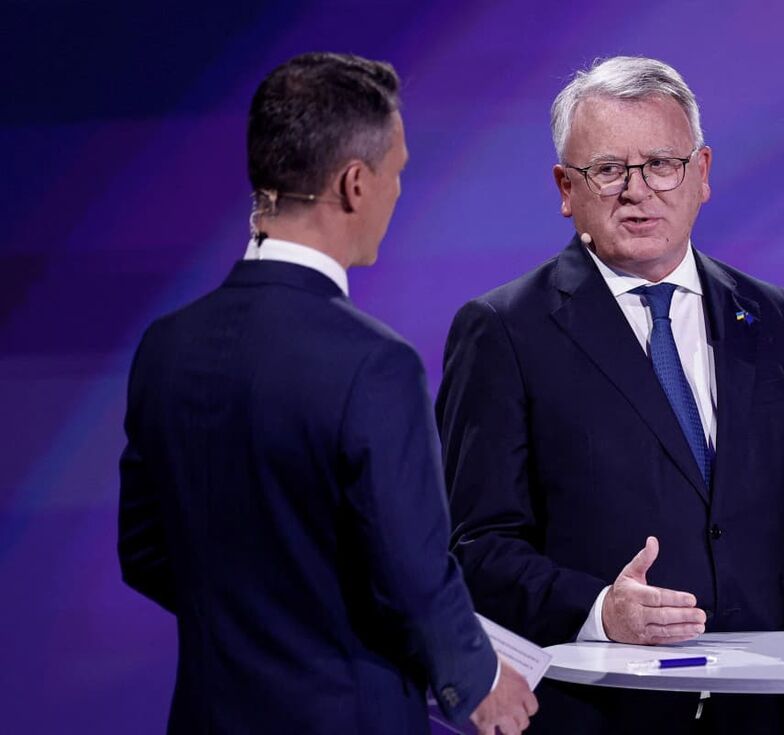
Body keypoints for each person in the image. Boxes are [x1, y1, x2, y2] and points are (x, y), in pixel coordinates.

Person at [436, 56, 784, 734]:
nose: (636, 191)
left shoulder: (775, 319)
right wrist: (598, 610)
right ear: (565, 187)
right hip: (599, 717)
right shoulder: (504, 330)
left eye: (661, 164)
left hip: (763, 717)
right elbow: (476, 548)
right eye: (608, 169)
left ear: (702, 172)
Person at [118, 52, 537, 735]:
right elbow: (413, 574)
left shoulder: (165, 346)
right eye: (396, 173)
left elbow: (145, 551)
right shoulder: (376, 365)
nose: (399, 192)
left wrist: (257, 621)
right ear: (353, 183)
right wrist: (481, 678)